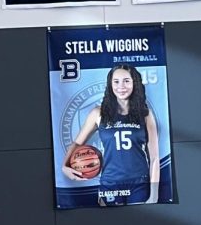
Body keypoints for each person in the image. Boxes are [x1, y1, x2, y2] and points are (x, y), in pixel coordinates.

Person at [62, 64, 160, 206]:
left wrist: (154, 194)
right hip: (110, 184)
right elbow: (77, 143)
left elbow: (155, 158)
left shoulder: (145, 114)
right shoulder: (98, 113)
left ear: (135, 83)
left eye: (126, 81)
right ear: (110, 84)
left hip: (139, 182)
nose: (121, 86)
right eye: (116, 81)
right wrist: (65, 166)